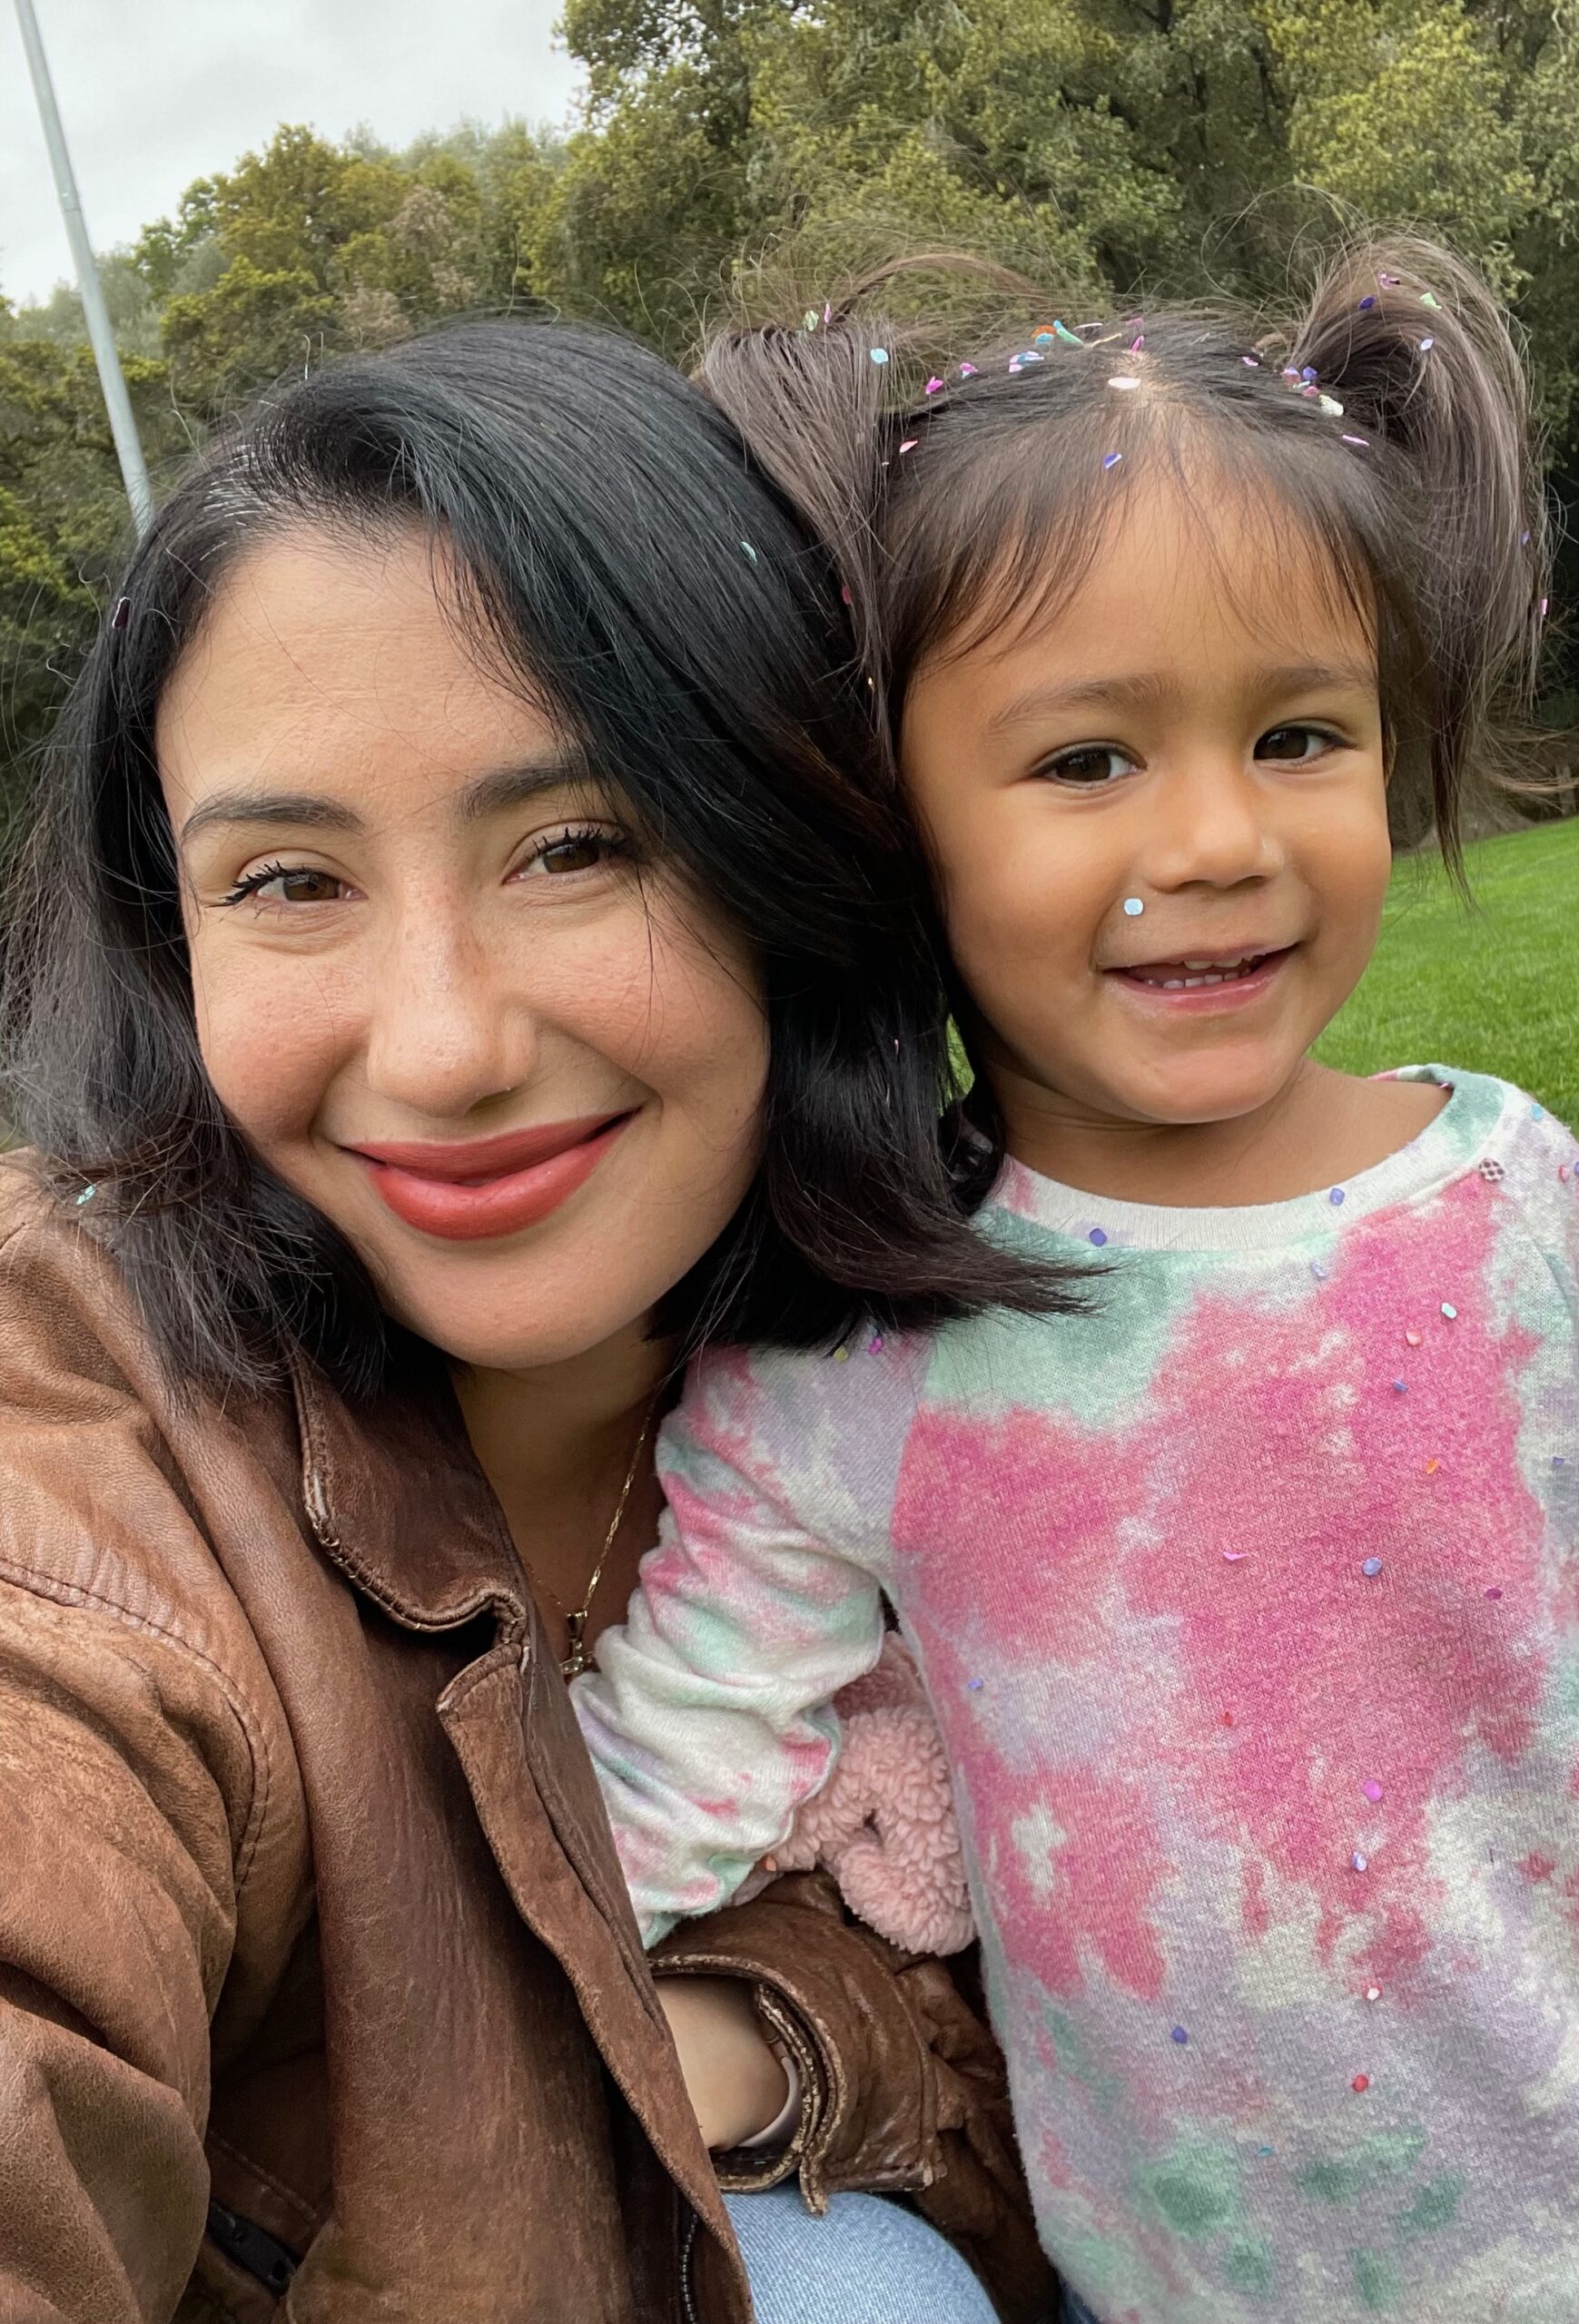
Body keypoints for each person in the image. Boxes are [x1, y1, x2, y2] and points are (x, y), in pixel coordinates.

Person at [573, 240, 1579, 2320]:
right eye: (1087, 759)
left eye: (1298, 732)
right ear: (888, 808)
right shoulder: (858, 1336)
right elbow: (662, 1773)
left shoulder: (1514, 1201)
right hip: (1206, 2278)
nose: (1216, 836)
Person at [0, 318, 1053, 2324]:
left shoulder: (998, 1368)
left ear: (788, 856)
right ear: (168, 935)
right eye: (289, 880)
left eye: (576, 846)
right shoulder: (70, 1403)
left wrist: (752, 2025)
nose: (444, 1046)